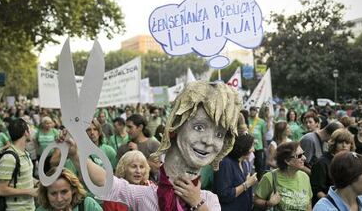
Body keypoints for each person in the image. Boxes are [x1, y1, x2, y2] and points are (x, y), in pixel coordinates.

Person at [63, 81, 241, 211]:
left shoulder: (209, 200)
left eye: (219, 134)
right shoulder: (146, 195)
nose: (209, 141)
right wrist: (76, 155)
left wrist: (197, 203)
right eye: (199, 127)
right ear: (175, 129)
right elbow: (107, 182)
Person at [254, 142, 313, 211]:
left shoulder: (304, 177)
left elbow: (308, 203)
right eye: (299, 156)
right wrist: (268, 203)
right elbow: (256, 200)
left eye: (303, 154)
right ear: (287, 161)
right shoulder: (270, 177)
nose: (304, 158)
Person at [0, 118, 37, 211]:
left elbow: (22, 176)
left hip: (29, 207)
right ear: (26, 133)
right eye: (29, 129)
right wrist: (29, 192)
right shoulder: (9, 158)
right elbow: (1, 190)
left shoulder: (25, 153)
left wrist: (37, 182)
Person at [213, 132, 257, 211]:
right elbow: (224, 195)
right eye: (252, 146)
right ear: (243, 147)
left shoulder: (244, 163)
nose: (253, 149)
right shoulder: (225, 163)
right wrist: (247, 184)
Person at [310, 128, 355, 205]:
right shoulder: (322, 162)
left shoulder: (350, 160)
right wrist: (335, 205)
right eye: (340, 142)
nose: (344, 146)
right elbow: (317, 190)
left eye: (347, 143)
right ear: (334, 143)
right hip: (326, 204)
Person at [36, 167, 102, 211]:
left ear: (73, 189)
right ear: (46, 193)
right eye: (53, 193)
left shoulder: (87, 205)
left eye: (64, 192)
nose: (59, 199)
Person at [248, 106, 267, 180]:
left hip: (259, 147)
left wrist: (265, 146)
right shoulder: (247, 120)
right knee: (248, 164)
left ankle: (260, 180)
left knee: (259, 164)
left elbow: (263, 135)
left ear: (256, 112)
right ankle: (249, 180)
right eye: (251, 110)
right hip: (249, 146)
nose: (252, 112)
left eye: (254, 110)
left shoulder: (261, 121)